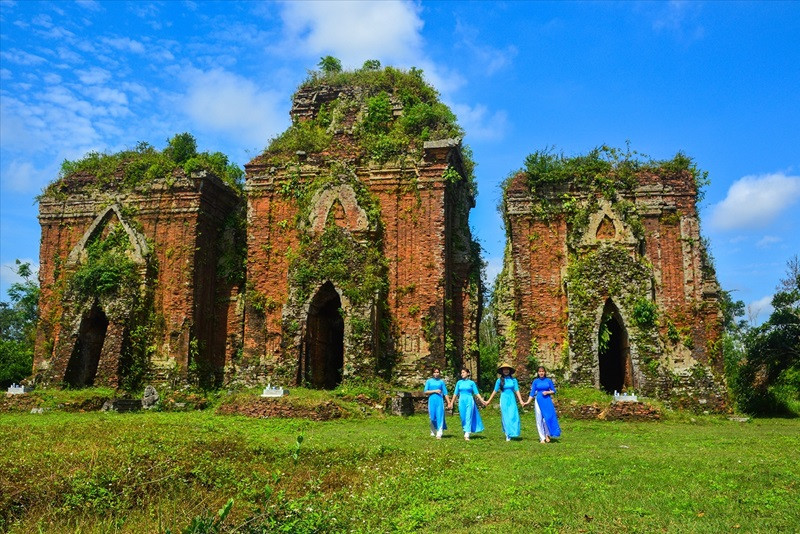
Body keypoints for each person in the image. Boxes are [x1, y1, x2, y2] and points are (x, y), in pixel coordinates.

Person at [483, 362, 525, 441]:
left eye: (507, 369)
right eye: (504, 369)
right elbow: (495, 391)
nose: (506, 371)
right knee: (505, 417)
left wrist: (521, 401)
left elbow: (517, 390)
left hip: (512, 399)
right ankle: (507, 434)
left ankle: (513, 432)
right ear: (502, 371)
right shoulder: (499, 381)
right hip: (504, 398)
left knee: (513, 415)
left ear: (509, 370)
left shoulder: (514, 380)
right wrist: (489, 401)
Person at [524, 366, 561, 443]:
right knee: (539, 418)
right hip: (538, 400)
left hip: (547, 400)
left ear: (545, 372)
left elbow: (554, 391)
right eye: (540, 371)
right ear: (538, 373)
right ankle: (542, 438)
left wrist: (547, 392)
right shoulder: (535, 381)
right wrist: (527, 402)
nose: (541, 373)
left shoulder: (548, 381)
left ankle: (547, 434)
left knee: (547, 417)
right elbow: (532, 393)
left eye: (542, 371)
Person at [448, 367, 487, 440]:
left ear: (468, 373)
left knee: (468, 416)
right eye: (461, 372)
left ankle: (467, 434)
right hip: (461, 400)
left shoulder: (471, 383)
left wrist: (482, 400)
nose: (462, 374)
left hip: (469, 400)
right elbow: (455, 393)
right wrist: (451, 402)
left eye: (463, 372)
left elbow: (476, 393)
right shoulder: (459, 382)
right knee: (463, 417)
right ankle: (465, 429)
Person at [423, 367, 450, 439]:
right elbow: (425, 391)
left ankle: (439, 432)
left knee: (440, 415)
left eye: (437, 372)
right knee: (432, 417)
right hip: (432, 400)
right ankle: (433, 430)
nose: (436, 374)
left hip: (439, 401)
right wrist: (434, 391)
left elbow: (445, 393)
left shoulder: (441, 382)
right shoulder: (429, 381)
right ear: (432, 373)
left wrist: (449, 402)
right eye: (435, 372)